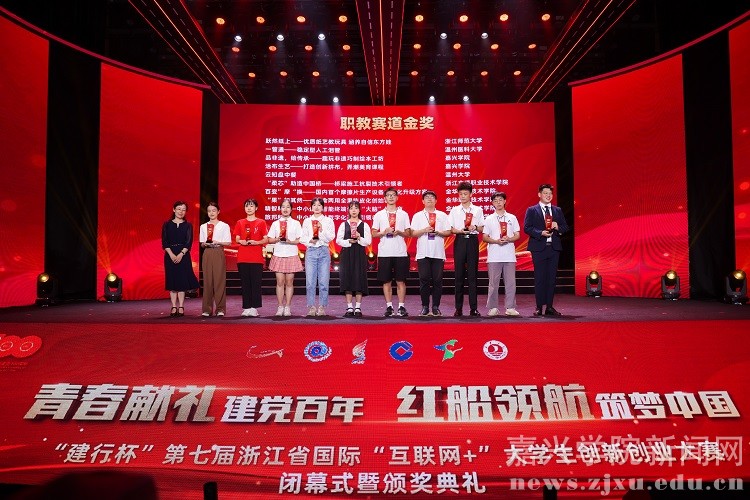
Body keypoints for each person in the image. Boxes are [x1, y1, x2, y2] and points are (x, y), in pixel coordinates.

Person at [523, 183, 569, 316]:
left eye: (550, 193)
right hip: (538, 248)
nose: (548, 196)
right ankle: (539, 307)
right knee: (540, 278)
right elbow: (527, 227)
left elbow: (565, 227)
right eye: (545, 193)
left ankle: (549, 306)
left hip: (554, 248)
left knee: (551, 278)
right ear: (539, 194)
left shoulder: (557, 210)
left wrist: (557, 227)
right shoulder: (532, 210)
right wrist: (540, 233)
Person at [371, 187, 411, 317]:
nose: (391, 197)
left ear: (397, 197)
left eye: (393, 195)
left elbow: (409, 233)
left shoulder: (403, 214)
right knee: (386, 281)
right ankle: (389, 307)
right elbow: (373, 233)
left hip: (400, 252)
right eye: (388, 195)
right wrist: (384, 232)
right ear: (384, 198)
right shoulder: (379, 214)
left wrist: (399, 232)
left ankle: (401, 307)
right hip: (384, 252)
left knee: (401, 281)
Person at [410, 190, 451, 316]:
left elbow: (448, 232)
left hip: (438, 253)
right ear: (423, 201)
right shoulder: (418, 216)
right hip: (423, 253)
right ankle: (425, 306)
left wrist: (438, 232)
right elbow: (412, 233)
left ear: (436, 200)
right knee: (424, 280)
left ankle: (436, 307)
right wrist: (424, 230)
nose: (429, 199)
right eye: (427, 197)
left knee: (438, 281)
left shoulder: (442, 215)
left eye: (432, 197)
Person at [448, 181, 485, 316]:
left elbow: (482, 227)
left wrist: (474, 227)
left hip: (472, 241)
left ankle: (473, 308)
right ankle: (458, 308)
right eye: (461, 194)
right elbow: (450, 229)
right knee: (459, 275)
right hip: (460, 240)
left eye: (465, 194)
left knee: (472, 276)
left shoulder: (477, 210)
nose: (463, 196)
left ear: (471, 194)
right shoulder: (454, 210)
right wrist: (459, 230)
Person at [483, 192, 521, 317]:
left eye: (500, 200)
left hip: (509, 255)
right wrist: (496, 241)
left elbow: (517, 235)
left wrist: (509, 239)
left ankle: (510, 307)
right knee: (493, 284)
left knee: (511, 283)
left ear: (505, 201)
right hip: (494, 256)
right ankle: (493, 307)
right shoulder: (489, 219)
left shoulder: (512, 217)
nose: (498, 202)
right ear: (492, 203)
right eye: (495, 200)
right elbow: (484, 237)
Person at [266, 199, 304, 316]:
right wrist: (277, 239)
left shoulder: (296, 223)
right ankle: (280, 306)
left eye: (288, 207)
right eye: (283, 207)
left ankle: (287, 306)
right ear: (280, 209)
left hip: (291, 254)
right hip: (278, 254)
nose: (285, 209)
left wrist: (289, 241)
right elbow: (269, 239)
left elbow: (300, 239)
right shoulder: (275, 223)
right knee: (279, 282)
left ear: (291, 209)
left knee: (289, 282)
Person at [162, 201, 199, 317]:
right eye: (179, 209)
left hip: (184, 255)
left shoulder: (188, 225)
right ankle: (173, 306)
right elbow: (164, 241)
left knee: (182, 281)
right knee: (172, 281)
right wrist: (171, 254)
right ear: (174, 210)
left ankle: (181, 306)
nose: (181, 211)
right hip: (170, 254)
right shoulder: (167, 225)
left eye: (183, 209)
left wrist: (181, 254)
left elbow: (189, 242)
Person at [300, 197, 335, 317]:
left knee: (323, 281)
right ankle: (311, 307)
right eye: (314, 205)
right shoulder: (306, 221)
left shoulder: (328, 220)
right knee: (310, 282)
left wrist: (321, 229)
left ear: (323, 207)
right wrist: (309, 241)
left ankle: (322, 307)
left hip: (324, 251)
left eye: (319, 205)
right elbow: (302, 237)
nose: (316, 207)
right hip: (311, 251)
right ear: (311, 208)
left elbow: (331, 237)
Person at [336, 201, 372, 317]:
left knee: (358, 278)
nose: (354, 210)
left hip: (359, 253)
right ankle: (349, 307)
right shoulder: (344, 224)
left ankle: (358, 307)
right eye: (351, 208)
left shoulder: (364, 225)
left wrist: (359, 238)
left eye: (356, 208)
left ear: (359, 210)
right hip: (347, 253)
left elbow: (368, 241)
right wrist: (348, 241)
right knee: (347, 278)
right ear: (348, 210)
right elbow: (338, 240)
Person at [233, 198, 268, 317]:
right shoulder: (240, 222)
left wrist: (256, 242)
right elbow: (237, 238)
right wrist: (241, 241)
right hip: (243, 257)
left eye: (251, 206)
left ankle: (254, 308)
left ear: (256, 208)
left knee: (256, 283)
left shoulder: (261, 222)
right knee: (245, 283)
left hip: (256, 257)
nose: (249, 208)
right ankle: (246, 307)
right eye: (247, 206)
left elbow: (265, 239)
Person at [199, 202, 231, 317]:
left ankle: (220, 309)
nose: (211, 213)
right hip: (207, 252)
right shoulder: (203, 226)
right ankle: (207, 309)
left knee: (219, 281)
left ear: (218, 211)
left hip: (218, 251)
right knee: (207, 281)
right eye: (209, 211)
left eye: (213, 210)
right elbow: (202, 243)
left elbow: (228, 242)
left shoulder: (224, 226)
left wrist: (218, 242)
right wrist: (205, 244)